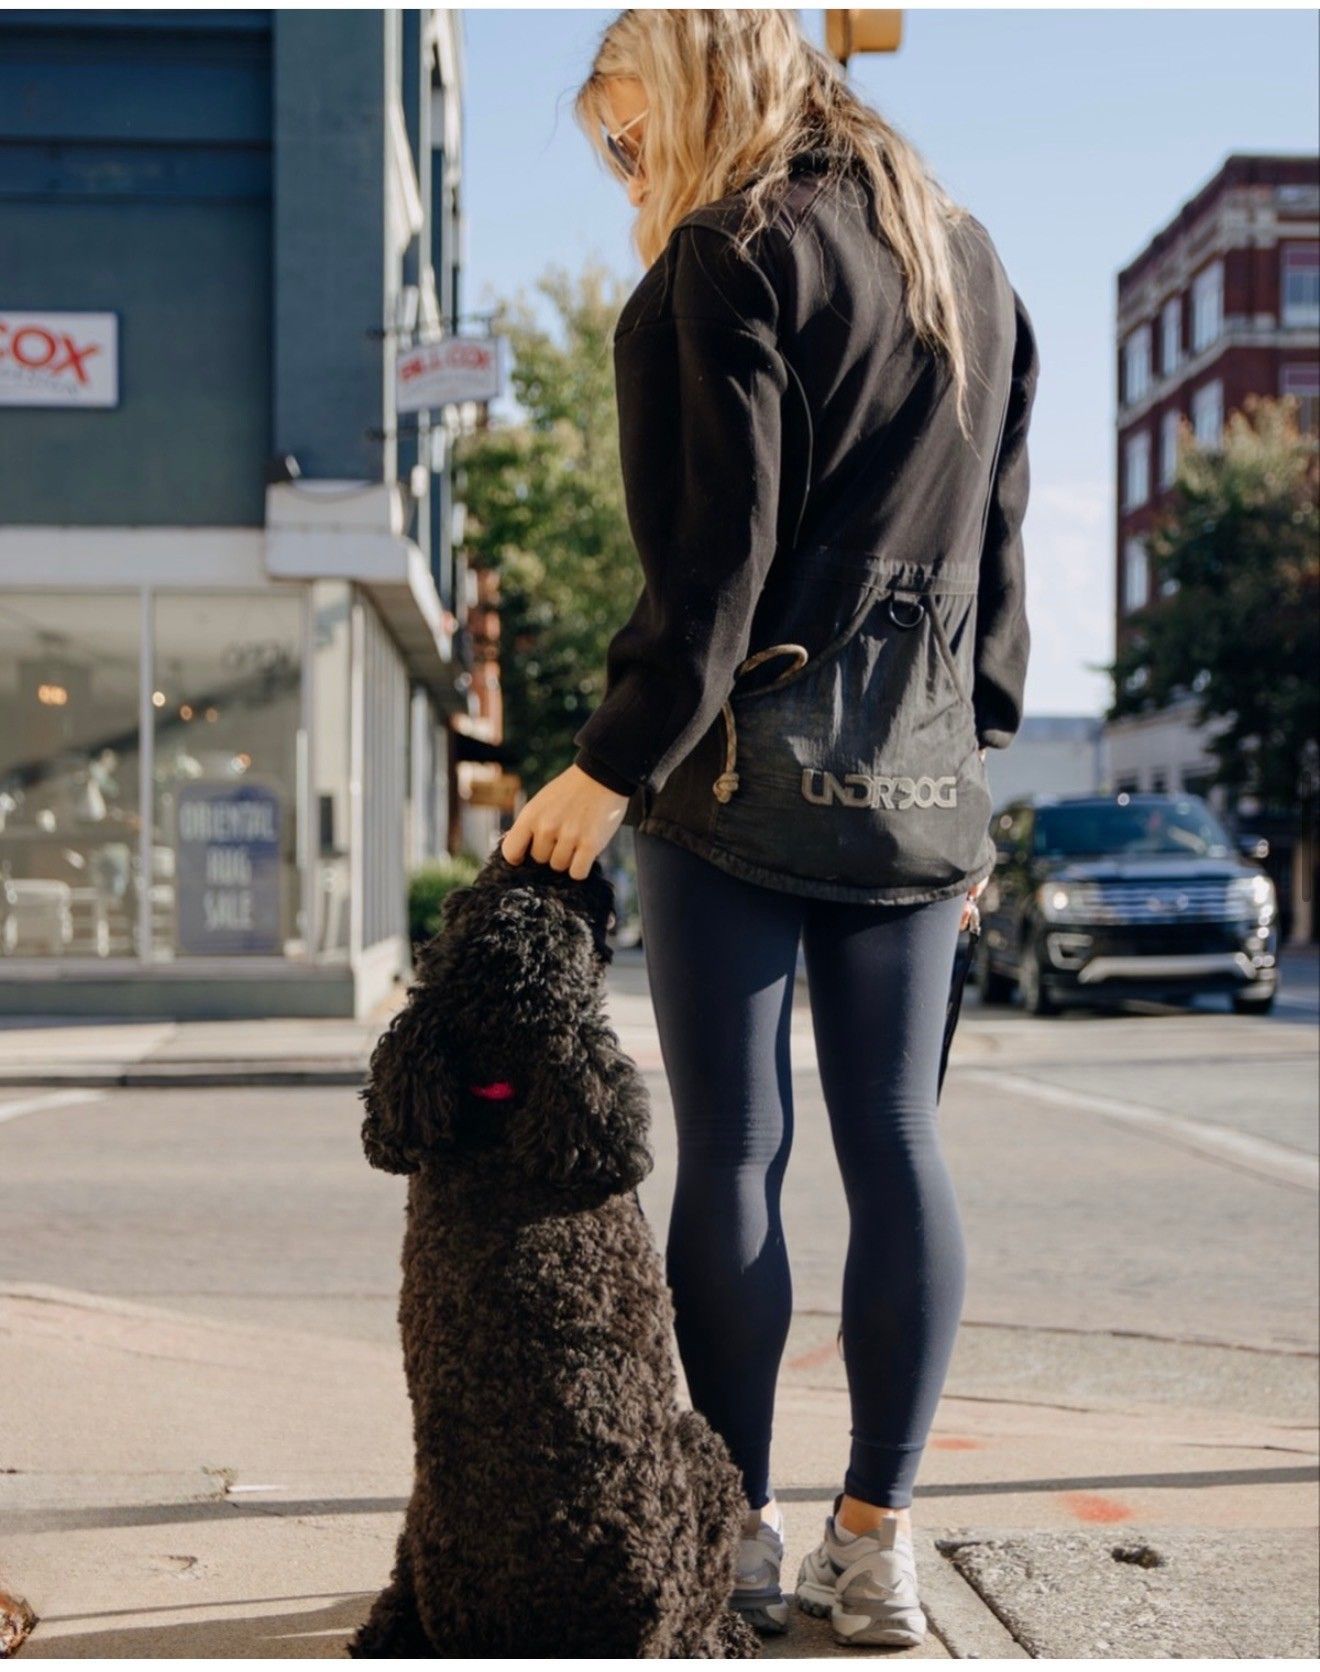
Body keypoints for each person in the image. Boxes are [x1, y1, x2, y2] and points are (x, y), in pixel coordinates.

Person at [500, 9, 1039, 1650]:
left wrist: (605, 767)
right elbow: (999, 555)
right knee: (899, 1143)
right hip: (923, 777)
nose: (625, 166)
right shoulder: (970, 253)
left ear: (683, 85)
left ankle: (734, 1530)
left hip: (736, 772)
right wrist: (975, 754)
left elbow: (711, 574)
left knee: (736, 1154)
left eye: (626, 129)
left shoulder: (719, 262)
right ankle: (876, 1545)